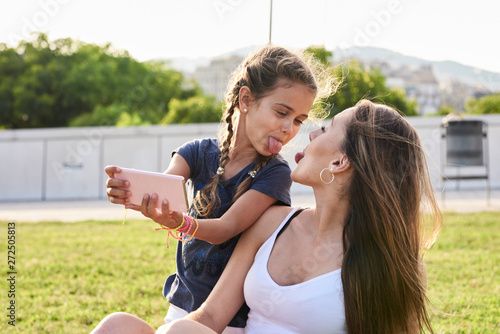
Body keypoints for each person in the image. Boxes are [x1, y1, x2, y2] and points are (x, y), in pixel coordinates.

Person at [91, 46, 332, 334]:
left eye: (298, 121)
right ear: (245, 99)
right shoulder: (196, 152)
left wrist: (182, 223)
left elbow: (225, 227)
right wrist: (129, 191)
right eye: (281, 112)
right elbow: (165, 188)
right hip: (180, 311)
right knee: (115, 324)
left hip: (228, 322)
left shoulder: (275, 173)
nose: (288, 128)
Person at [157, 100, 442, 334]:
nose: (311, 134)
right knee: (120, 326)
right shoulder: (272, 222)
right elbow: (209, 317)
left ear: (340, 162)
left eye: (326, 129)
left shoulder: (391, 261)